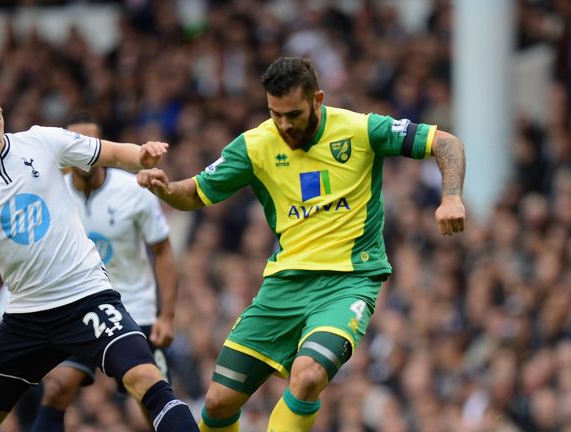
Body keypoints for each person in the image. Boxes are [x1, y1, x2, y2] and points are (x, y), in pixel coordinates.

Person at [137, 56, 467, 432]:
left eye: (292, 114)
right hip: (284, 284)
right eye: (275, 114)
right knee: (219, 401)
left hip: (348, 282)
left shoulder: (360, 130)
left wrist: (451, 197)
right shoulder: (256, 144)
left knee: (307, 376)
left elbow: (446, 143)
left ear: (318, 99)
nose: (284, 124)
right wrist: (166, 189)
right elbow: (195, 192)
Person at [0, 74, 198, 432]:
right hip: (26, 313)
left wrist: (143, 154)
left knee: (147, 380)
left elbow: (111, 151)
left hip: (85, 296)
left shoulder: (40, 141)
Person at [32, 113, 178, 431]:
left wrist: (166, 315)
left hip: (134, 308)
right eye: (75, 144)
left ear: (101, 147)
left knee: (148, 400)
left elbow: (163, 250)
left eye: (90, 144)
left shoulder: (134, 190)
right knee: (56, 387)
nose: (82, 152)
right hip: (79, 308)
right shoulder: (51, 195)